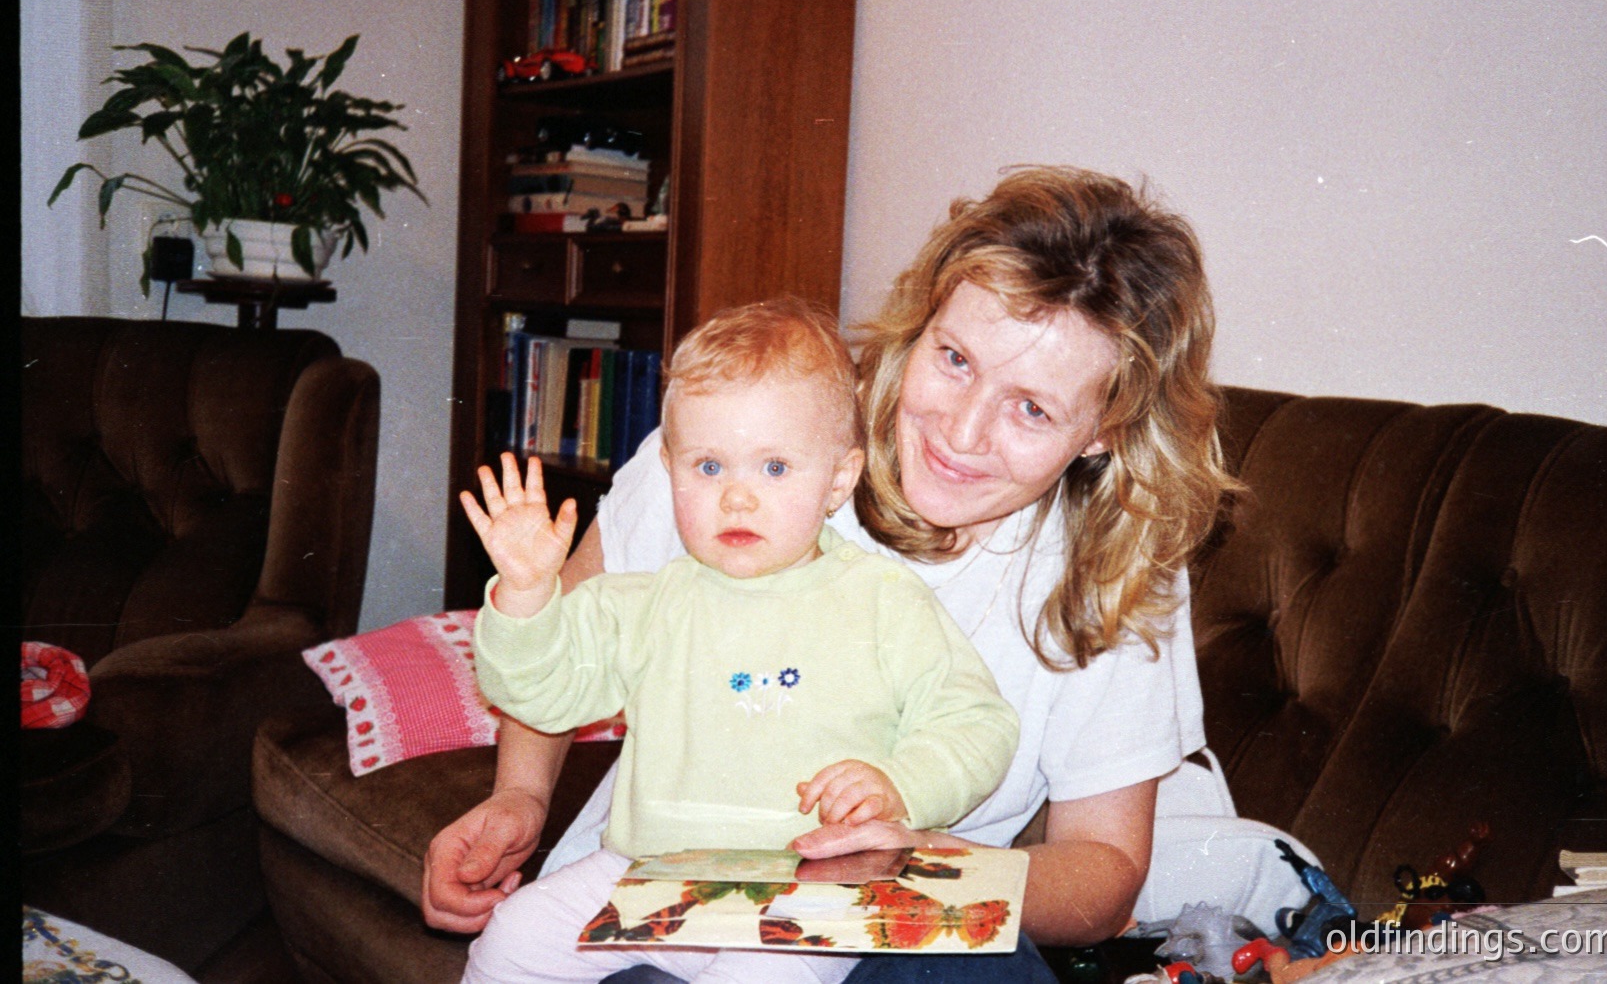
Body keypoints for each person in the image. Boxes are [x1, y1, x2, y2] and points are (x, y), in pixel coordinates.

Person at [426, 166, 1240, 983]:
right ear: (920, 327)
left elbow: (1100, 868)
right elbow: (568, 628)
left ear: (1101, 431)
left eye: (1031, 408)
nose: (961, 431)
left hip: (859, 923)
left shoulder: (1111, 569)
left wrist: (923, 858)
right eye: (954, 357)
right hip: (648, 885)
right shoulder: (755, 429)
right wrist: (519, 799)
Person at [460, 298, 1020, 984]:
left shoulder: (883, 601)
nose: (736, 498)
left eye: (774, 468)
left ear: (838, 479)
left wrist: (901, 784)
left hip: (806, 886)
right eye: (708, 466)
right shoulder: (646, 601)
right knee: (511, 937)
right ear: (668, 468)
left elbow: (977, 721)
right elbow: (540, 692)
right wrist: (524, 594)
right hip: (644, 870)